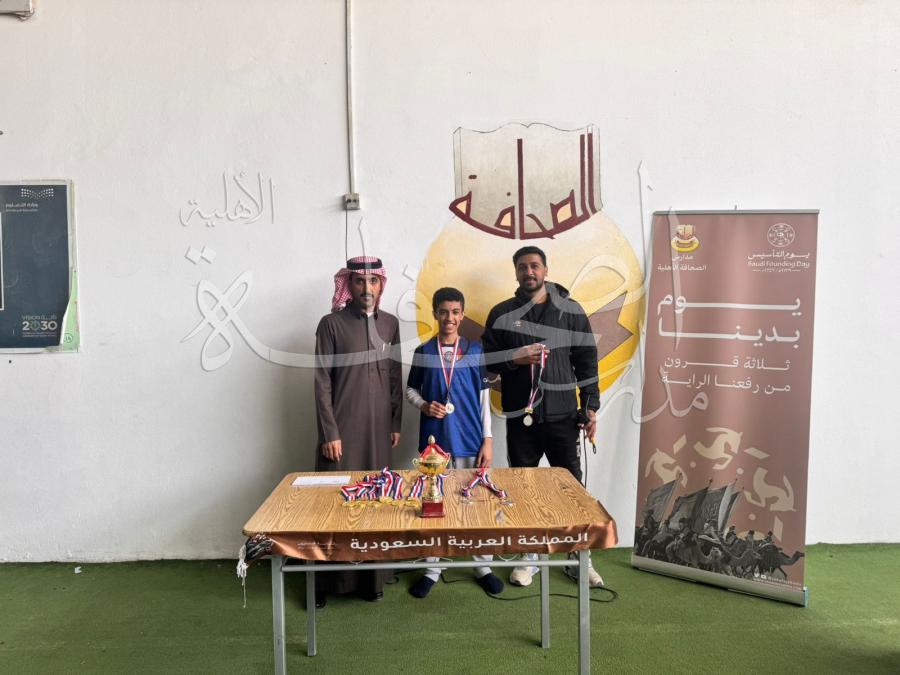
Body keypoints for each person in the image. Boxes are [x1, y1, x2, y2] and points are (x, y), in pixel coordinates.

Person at [481, 246, 604, 588]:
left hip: (564, 416)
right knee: (523, 489)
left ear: (546, 270)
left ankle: (577, 559)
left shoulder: (571, 311)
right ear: (516, 272)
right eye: (522, 267)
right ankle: (529, 557)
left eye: (534, 266)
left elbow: (587, 361)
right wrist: (514, 358)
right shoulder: (502, 313)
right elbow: (485, 361)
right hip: (522, 417)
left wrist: (590, 406)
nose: (529, 272)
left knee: (572, 491)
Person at [313, 255, 402, 606]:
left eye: (373, 281)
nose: (367, 288)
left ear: (381, 284)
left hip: (379, 430)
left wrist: (395, 422)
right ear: (348, 284)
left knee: (376, 501)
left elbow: (394, 375)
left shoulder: (391, 323)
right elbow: (322, 381)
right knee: (335, 503)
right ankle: (325, 583)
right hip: (342, 429)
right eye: (360, 281)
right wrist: (329, 432)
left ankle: (372, 579)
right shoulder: (331, 324)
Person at [405, 287, 503, 598]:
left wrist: (488, 439)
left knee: (477, 504)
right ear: (435, 313)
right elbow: (410, 390)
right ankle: (432, 569)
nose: (450, 317)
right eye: (444, 311)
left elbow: (484, 397)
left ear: (462, 315)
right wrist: (424, 405)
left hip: (471, 439)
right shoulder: (424, 352)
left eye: (455, 312)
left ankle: (483, 566)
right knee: (433, 505)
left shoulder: (475, 350)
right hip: (434, 445)